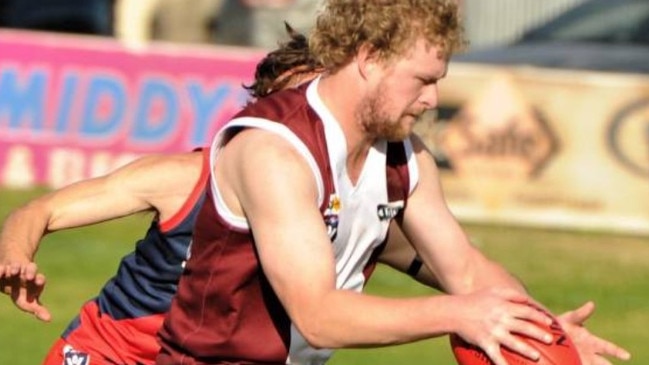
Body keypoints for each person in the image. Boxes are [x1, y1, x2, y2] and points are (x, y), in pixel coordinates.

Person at [0, 22, 630, 365]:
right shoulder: (209, 171)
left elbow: (463, 272)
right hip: (110, 357)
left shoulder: (375, 185)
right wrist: (15, 254)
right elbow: (42, 208)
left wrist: (541, 328)